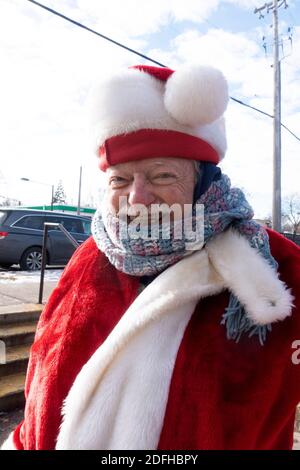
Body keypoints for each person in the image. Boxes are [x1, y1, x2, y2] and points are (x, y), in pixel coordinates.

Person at [2, 64, 300, 450]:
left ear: (203, 181)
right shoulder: (90, 257)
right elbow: (42, 383)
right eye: (120, 180)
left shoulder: (276, 265)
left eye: (161, 176)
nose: (137, 198)